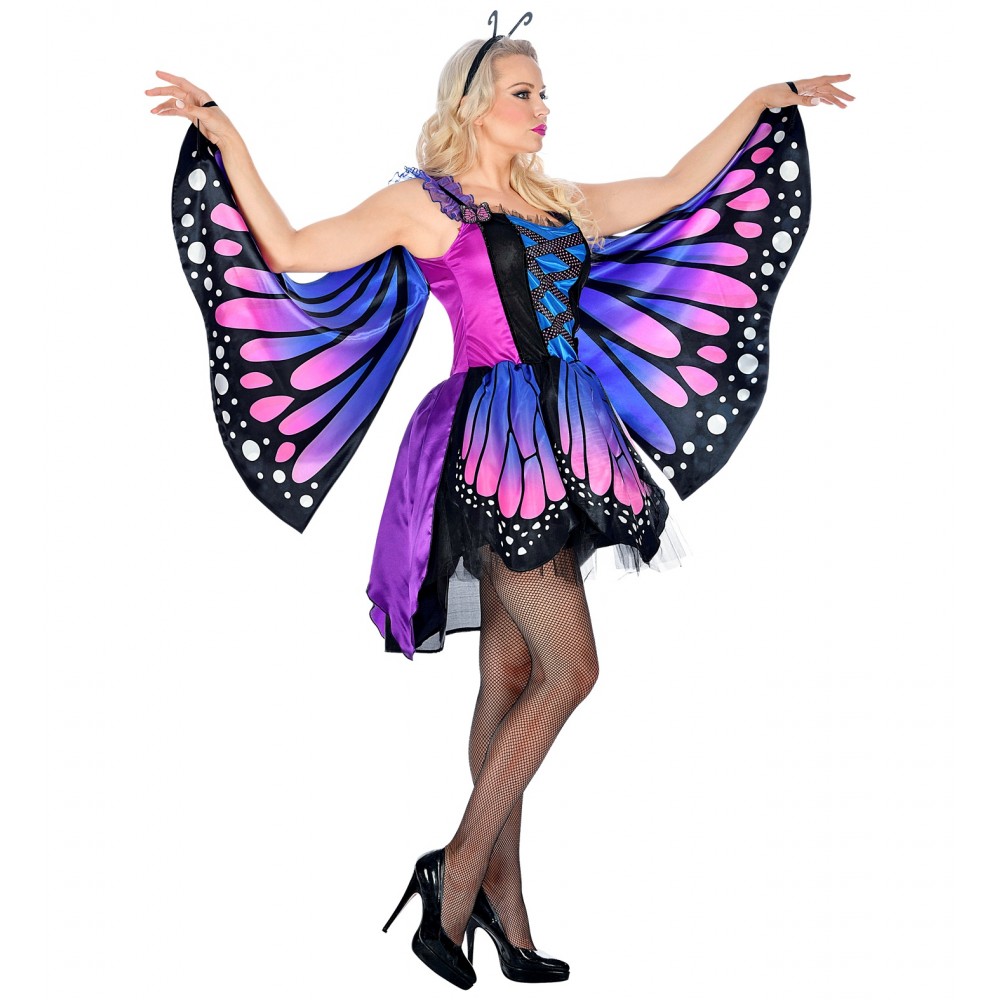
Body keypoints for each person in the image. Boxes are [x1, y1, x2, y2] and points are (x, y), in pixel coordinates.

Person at [148, 19, 852, 989]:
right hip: (496, 448)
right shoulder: (425, 203)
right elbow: (292, 246)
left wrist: (761, 99)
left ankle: (503, 902)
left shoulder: (561, 204)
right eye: (523, 92)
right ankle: (457, 868)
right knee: (573, 670)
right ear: (473, 105)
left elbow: (675, 185)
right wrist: (229, 136)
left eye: (544, 92)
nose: (542, 108)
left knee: (514, 668)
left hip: (571, 440)